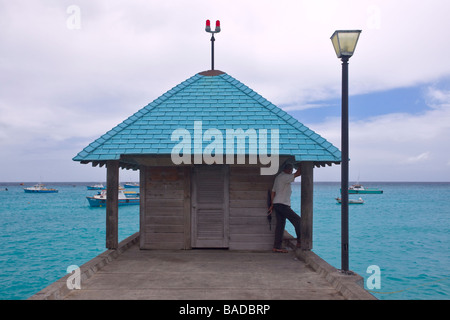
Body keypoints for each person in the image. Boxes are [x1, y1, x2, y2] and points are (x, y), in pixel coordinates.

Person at [268, 163, 302, 253]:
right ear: (287, 170)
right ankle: (299, 241)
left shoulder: (278, 177)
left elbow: (273, 192)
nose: (291, 172)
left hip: (277, 204)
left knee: (280, 225)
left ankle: (277, 247)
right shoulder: (285, 177)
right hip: (282, 204)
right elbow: (298, 174)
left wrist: (272, 205)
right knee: (298, 220)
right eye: (291, 170)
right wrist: (301, 165)